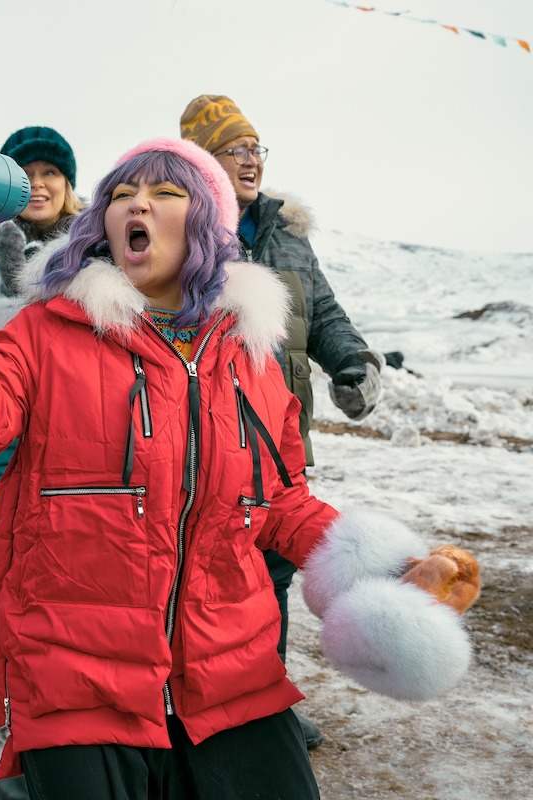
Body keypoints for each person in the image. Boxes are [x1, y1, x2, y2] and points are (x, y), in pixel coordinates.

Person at [0, 137, 477, 799]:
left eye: (165, 193)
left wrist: (388, 570)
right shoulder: (46, 331)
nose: (135, 204)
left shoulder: (250, 356)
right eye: (120, 195)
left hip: (235, 674)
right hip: (74, 678)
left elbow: (278, 502)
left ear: (207, 222)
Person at [181, 95, 384, 748]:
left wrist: (351, 363)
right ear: (202, 160)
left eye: (255, 147)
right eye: (234, 147)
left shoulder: (287, 236)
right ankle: (187, 698)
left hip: (279, 438)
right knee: (210, 576)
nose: (250, 159)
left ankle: (264, 705)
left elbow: (322, 313)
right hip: (202, 441)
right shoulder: (178, 227)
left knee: (273, 572)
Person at [0, 125, 83, 800]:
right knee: (15, 598)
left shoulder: (95, 250)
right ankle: (9, 731)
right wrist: (1, 285)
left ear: (71, 185)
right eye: (23, 172)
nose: (37, 182)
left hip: (80, 451)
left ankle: (72, 735)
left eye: (51, 172)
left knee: (74, 600)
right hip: (6, 452)